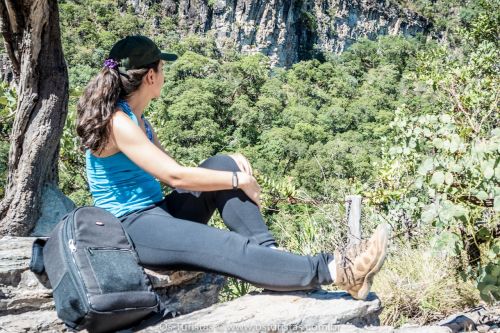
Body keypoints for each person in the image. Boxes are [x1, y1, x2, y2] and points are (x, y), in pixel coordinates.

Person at [76, 35, 389, 301]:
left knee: (221, 165)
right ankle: (337, 270)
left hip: (157, 211)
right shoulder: (118, 121)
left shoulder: (138, 119)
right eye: (162, 68)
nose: (164, 75)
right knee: (224, 241)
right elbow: (174, 176)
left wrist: (228, 171)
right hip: (133, 228)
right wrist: (238, 179)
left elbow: (176, 172)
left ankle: (273, 260)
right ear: (150, 77)